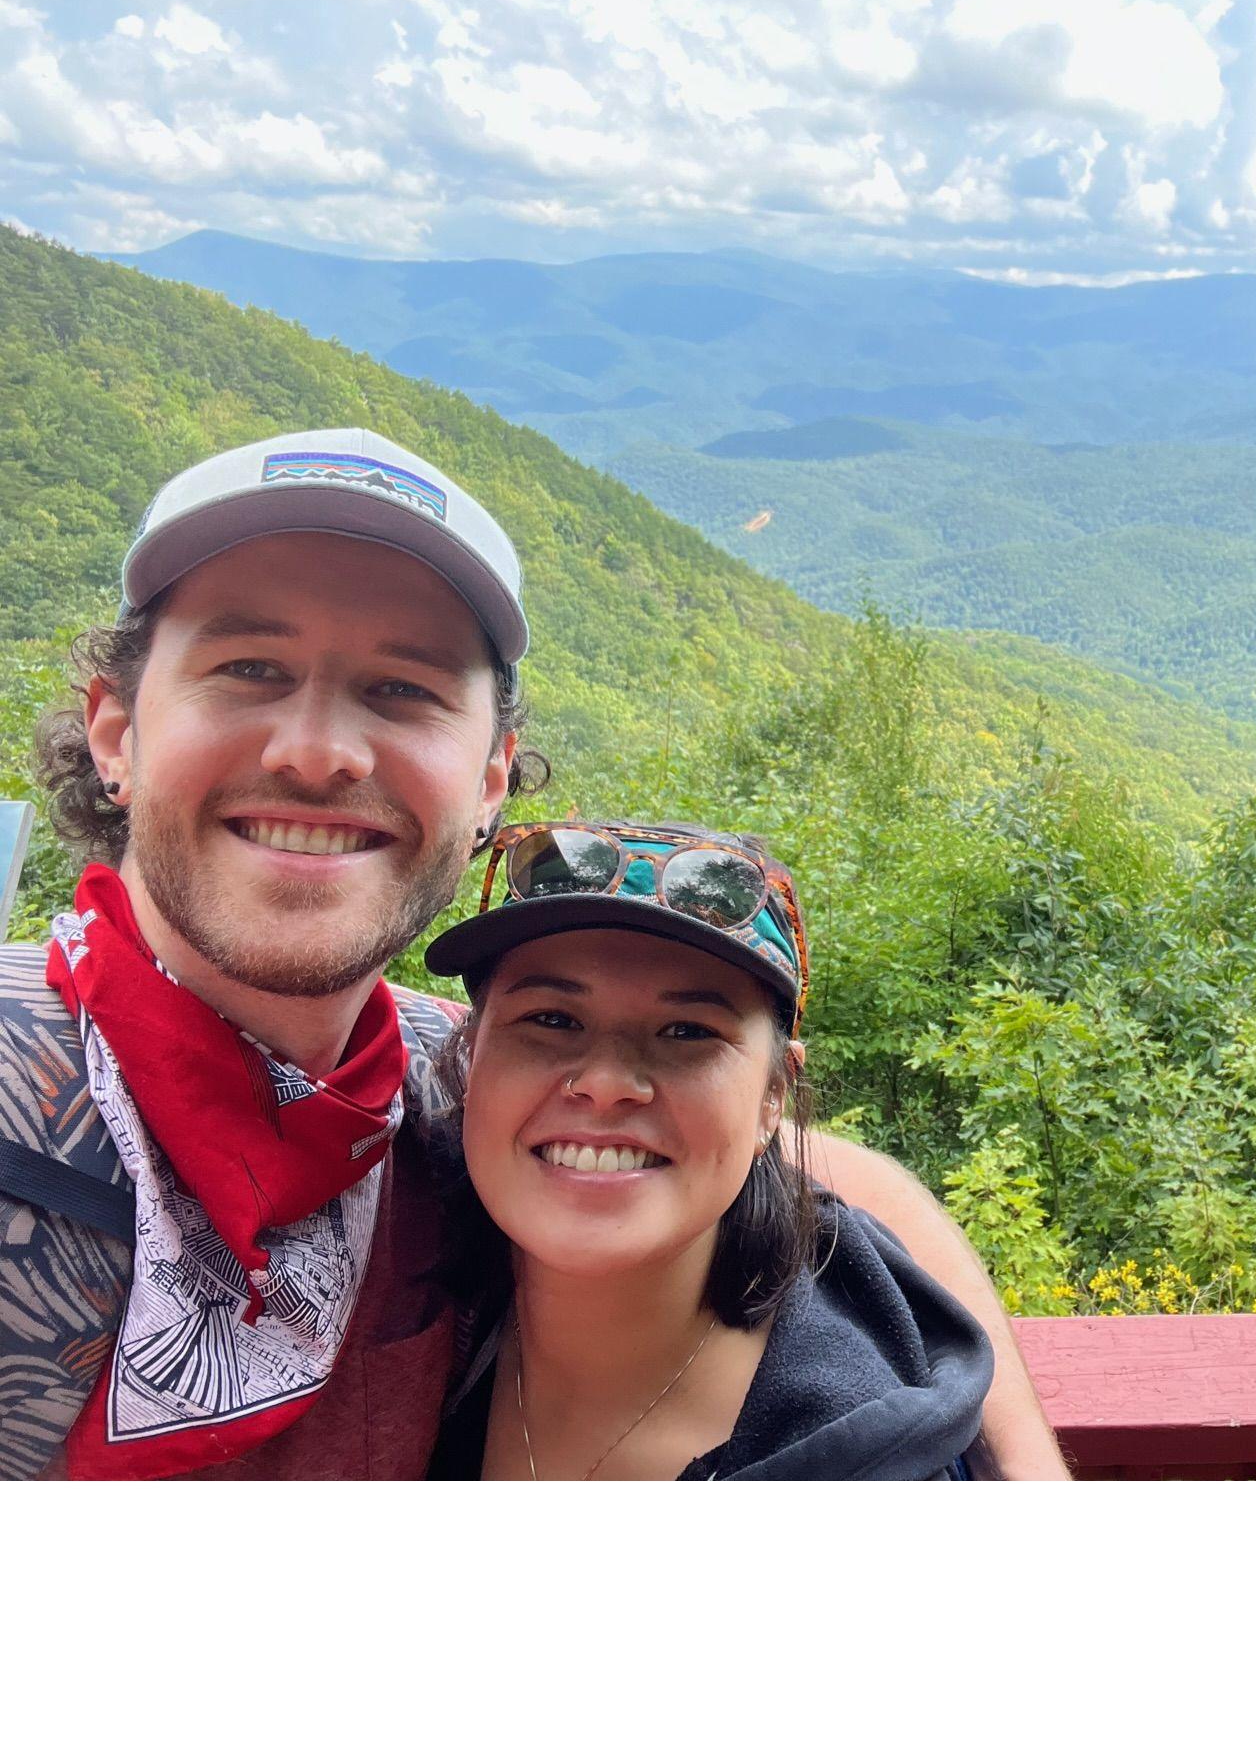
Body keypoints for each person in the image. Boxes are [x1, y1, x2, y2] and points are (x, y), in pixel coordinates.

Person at [0, 427, 1067, 1480]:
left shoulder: (441, 1086)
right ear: (116, 732)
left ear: (490, 782)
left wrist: (1026, 1484)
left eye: (402, 688)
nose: (318, 752)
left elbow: (816, 1168)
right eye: (247, 668)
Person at [425, 818, 991, 1479]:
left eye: (687, 1031)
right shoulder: (390, 1261)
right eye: (551, 1019)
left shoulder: (870, 1464)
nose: (606, 1082)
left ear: (772, 1097)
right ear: (470, 1054)